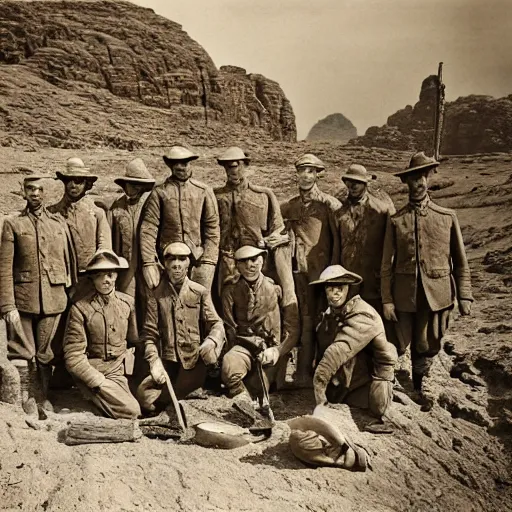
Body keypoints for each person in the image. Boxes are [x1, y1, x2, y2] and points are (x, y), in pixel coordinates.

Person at [381, 151, 473, 410]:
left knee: (426, 343)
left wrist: (465, 295)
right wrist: (387, 300)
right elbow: (385, 265)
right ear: (406, 183)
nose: (418, 182)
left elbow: (461, 260)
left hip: (437, 293)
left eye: (422, 176)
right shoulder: (396, 221)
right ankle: (384, 387)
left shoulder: (447, 217)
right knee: (396, 342)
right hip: (404, 295)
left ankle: (419, 388)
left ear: (428, 178)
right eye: (413, 178)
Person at [0, 175, 75, 416]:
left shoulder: (57, 223)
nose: (35, 193)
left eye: (40, 189)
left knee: (46, 352)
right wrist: (7, 305)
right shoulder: (13, 224)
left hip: (54, 298)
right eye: (30, 189)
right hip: (23, 298)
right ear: (24, 192)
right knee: (22, 350)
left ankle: (42, 395)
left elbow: (69, 262)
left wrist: (69, 292)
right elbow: (5, 267)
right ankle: (25, 396)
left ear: (46, 193)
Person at [215, 147, 299, 361]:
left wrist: (269, 242)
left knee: (262, 310)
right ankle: (227, 358)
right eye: (228, 166)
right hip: (226, 261)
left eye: (236, 165)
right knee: (226, 310)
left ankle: (269, 357)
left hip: (257, 262)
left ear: (245, 165)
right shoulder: (216, 196)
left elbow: (277, 229)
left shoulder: (264, 195)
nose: (232, 170)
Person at [137, 242, 225, 412]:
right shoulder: (156, 295)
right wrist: (154, 361)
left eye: (182, 259)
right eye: (172, 259)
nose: (177, 264)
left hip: (193, 361)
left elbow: (217, 323)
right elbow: (149, 334)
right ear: (165, 264)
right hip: (168, 361)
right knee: (143, 395)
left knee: (164, 401)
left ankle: (187, 394)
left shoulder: (199, 292)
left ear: (189, 263)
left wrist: (211, 342)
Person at [311, 265, 397, 431]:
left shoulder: (363, 314)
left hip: (373, 375)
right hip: (351, 370)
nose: (335, 293)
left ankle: (384, 412)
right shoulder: (334, 312)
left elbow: (337, 352)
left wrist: (320, 384)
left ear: (348, 289)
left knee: (377, 410)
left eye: (340, 288)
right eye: (330, 288)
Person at [281, 153, 341, 386]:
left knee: (324, 320)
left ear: (317, 175)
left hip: (323, 273)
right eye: (302, 171)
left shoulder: (329, 205)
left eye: (310, 171)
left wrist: (334, 271)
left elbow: (338, 240)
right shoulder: (290, 206)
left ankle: (326, 372)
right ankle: (303, 373)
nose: (305, 175)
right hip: (298, 271)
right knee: (304, 319)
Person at [63, 249, 141, 420]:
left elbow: (134, 339)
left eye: (110, 274)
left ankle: (96, 404)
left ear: (116, 276)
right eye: (99, 275)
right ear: (92, 278)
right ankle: (89, 399)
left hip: (118, 370)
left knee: (147, 403)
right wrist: (95, 379)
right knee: (133, 411)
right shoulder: (81, 308)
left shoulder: (127, 303)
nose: (106, 280)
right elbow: (73, 355)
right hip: (94, 370)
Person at [139, 146, 219, 291]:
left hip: (197, 260)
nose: (180, 167)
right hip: (168, 260)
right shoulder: (159, 192)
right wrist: (149, 262)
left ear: (191, 164)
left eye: (184, 163)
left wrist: (209, 261)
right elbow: (149, 228)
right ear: (170, 165)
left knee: (198, 301)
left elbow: (212, 227)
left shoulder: (203, 191)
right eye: (175, 164)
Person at [221, 246, 284, 418]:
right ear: (237, 265)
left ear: (262, 261)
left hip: (267, 348)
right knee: (229, 365)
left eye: (254, 260)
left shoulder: (273, 288)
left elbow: (277, 324)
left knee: (263, 392)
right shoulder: (230, 289)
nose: (250, 265)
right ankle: (242, 399)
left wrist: (275, 350)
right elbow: (230, 326)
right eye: (243, 261)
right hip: (244, 344)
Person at [335, 164, 395, 314]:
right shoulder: (338, 211)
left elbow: (390, 248)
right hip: (347, 281)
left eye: (358, 182)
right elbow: (335, 247)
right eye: (349, 181)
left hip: (373, 283)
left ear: (365, 184)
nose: (353, 185)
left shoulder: (381, 210)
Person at [49, 157, 111, 282]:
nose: (73, 184)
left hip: (88, 279)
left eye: (78, 180)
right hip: (59, 280)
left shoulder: (97, 213)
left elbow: (104, 249)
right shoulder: (51, 213)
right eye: (68, 180)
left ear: (86, 184)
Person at [109, 157, 155, 326]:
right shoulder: (117, 206)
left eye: (137, 184)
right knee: (127, 300)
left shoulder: (152, 203)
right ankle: (131, 340)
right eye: (129, 183)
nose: (132, 188)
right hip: (126, 265)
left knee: (150, 300)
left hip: (149, 263)